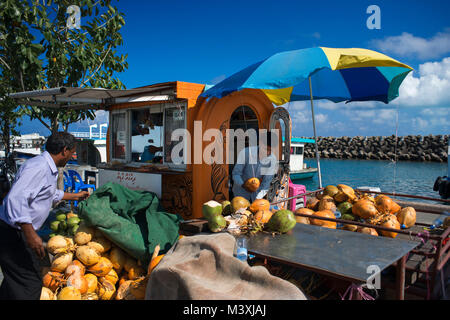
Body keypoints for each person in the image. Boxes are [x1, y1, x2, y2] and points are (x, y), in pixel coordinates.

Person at [0, 132, 89, 300]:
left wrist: (75, 196)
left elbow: (47, 193)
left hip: (18, 233)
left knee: (16, 280)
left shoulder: (46, 167)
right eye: (72, 152)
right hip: (14, 233)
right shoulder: (38, 167)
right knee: (30, 284)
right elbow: (16, 198)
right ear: (64, 150)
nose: (72, 156)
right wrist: (30, 233)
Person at [232, 132, 278, 202]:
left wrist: (258, 199)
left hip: (256, 195)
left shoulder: (272, 160)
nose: (268, 153)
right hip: (240, 194)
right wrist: (243, 185)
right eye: (266, 149)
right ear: (260, 143)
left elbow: (266, 183)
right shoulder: (246, 153)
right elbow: (236, 174)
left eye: (270, 151)